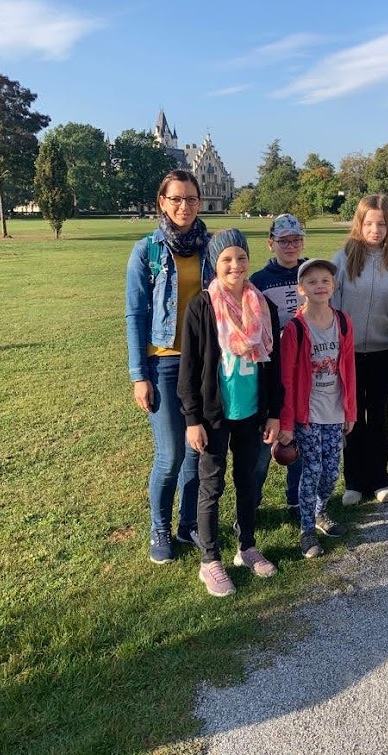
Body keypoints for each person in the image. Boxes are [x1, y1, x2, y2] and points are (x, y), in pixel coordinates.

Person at [178, 229, 282, 597]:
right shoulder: (202, 307)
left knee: (248, 482)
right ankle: (210, 560)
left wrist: (274, 413)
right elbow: (189, 370)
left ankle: (247, 547)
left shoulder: (264, 306)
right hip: (214, 415)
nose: (235, 265)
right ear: (214, 264)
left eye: (241, 257)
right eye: (226, 259)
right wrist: (192, 420)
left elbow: (274, 365)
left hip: (252, 413)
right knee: (212, 485)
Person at [125, 169, 212, 564]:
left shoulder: (210, 247)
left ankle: (187, 522)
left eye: (191, 199)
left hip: (204, 362)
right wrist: (138, 376)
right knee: (171, 454)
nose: (184, 206)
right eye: (176, 198)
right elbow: (134, 315)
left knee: (197, 449)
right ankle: (159, 527)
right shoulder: (147, 251)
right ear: (162, 202)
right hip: (163, 362)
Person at [331, 194, 388, 506]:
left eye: (381, 224)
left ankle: (379, 478)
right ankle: (354, 481)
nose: (375, 230)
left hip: (384, 351)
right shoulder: (344, 258)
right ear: (359, 223)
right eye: (368, 223)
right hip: (348, 353)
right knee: (351, 416)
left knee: (377, 415)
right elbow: (331, 305)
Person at [278, 259, 356, 559]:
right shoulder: (295, 328)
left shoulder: (343, 322)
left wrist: (350, 411)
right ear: (301, 289)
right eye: (312, 282)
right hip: (307, 414)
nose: (320, 286)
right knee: (312, 470)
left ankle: (321, 511)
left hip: (335, 411)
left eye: (325, 280)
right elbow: (286, 378)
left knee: (331, 471)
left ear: (333, 286)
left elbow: (349, 368)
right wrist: (287, 422)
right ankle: (307, 528)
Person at [249, 213, 307, 518]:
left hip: (306, 370)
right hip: (271, 372)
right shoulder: (259, 281)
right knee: (265, 441)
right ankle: (251, 502)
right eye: (283, 241)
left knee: (301, 437)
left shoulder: (311, 272)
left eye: (296, 240)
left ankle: (296, 499)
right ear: (271, 243)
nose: (290, 246)